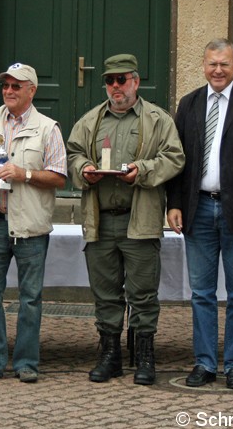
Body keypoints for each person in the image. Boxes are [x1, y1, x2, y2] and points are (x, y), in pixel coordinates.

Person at [67, 54, 184, 385]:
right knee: (105, 294)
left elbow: (175, 158)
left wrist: (142, 171)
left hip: (140, 219)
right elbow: (73, 154)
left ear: (136, 81)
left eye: (122, 79)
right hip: (101, 220)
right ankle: (110, 355)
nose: (115, 87)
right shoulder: (90, 121)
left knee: (143, 294)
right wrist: (83, 171)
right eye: (109, 80)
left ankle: (144, 355)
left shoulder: (158, 120)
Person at [167, 38, 233, 390]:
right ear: (203, 65)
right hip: (197, 209)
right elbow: (177, 161)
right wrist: (175, 203)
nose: (218, 70)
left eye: (224, 64)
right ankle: (205, 363)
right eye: (212, 63)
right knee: (201, 293)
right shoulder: (190, 104)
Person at [0, 63, 67, 383]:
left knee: (30, 298)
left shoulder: (48, 128)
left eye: (16, 86)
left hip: (31, 226)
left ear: (31, 91)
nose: (8, 91)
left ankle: (26, 363)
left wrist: (25, 174)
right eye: (6, 85)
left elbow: (59, 177)